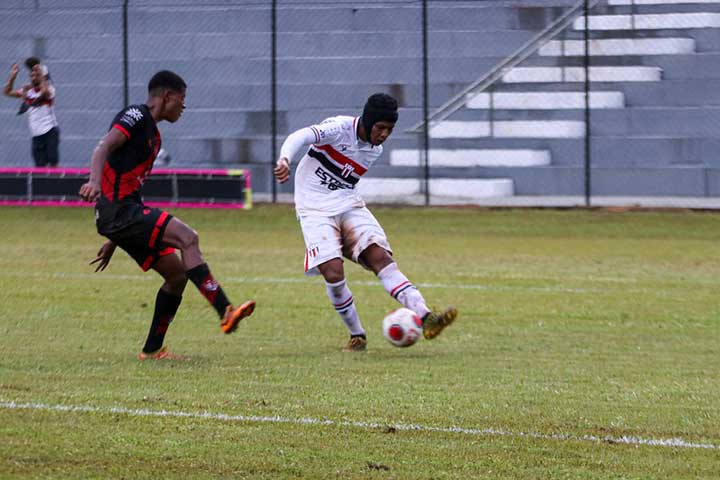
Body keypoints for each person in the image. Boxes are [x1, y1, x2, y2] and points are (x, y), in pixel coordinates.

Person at [78, 70, 255, 360]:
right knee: (188, 238)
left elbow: (127, 183)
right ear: (167, 96)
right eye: (182, 99)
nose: (184, 106)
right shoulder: (135, 115)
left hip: (122, 216)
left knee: (175, 275)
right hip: (120, 211)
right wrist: (93, 182)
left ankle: (152, 350)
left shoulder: (155, 138)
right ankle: (225, 311)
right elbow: (103, 147)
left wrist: (114, 240)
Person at [273, 93, 457, 352]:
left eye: (389, 129)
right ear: (367, 121)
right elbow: (300, 136)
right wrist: (284, 158)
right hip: (313, 208)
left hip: (347, 204)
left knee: (380, 258)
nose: (384, 135)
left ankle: (427, 317)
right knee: (333, 273)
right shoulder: (338, 129)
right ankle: (356, 334)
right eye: (380, 128)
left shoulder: (374, 150)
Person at [3, 57, 60, 167]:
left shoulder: (50, 90)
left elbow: (44, 93)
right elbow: (7, 92)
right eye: (32, 75)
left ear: (42, 77)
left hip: (50, 131)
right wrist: (12, 76)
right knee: (39, 167)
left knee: (53, 164)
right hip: (36, 134)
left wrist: (41, 74)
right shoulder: (28, 91)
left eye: (37, 75)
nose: (33, 77)